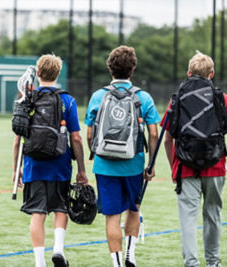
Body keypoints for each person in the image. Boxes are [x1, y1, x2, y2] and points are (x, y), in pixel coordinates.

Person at [161, 51, 227, 267]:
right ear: (212, 73)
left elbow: (168, 139)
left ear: (188, 73)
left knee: (188, 219)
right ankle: (213, 263)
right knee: (213, 215)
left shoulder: (176, 98)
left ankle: (192, 263)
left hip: (184, 166)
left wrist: (172, 168)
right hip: (215, 165)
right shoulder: (222, 98)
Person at [85, 45, 160, 267]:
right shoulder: (143, 97)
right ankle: (130, 255)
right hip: (134, 165)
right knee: (134, 209)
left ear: (110, 68)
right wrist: (151, 163)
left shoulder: (98, 96)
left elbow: (89, 133)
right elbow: (153, 132)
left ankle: (117, 264)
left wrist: (96, 153)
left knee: (112, 217)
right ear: (133, 68)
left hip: (104, 166)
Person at [12, 54, 88, 267]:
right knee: (60, 208)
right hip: (60, 164)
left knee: (37, 212)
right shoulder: (67, 100)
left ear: (38, 73)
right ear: (58, 73)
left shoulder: (27, 99)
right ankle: (58, 249)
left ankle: (39, 262)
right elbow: (76, 137)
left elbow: (18, 138)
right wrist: (81, 169)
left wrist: (15, 169)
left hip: (33, 165)